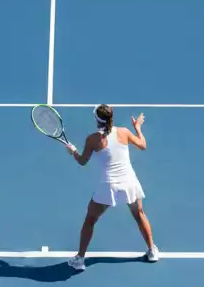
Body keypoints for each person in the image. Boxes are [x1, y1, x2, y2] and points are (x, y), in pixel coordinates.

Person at [65, 105, 159, 272]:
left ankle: (79, 259)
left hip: (109, 186)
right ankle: (152, 251)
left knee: (90, 220)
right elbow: (143, 145)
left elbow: (82, 161)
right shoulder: (124, 132)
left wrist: (72, 151)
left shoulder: (92, 139)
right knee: (139, 214)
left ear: (97, 120)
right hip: (129, 182)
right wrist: (137, 128)